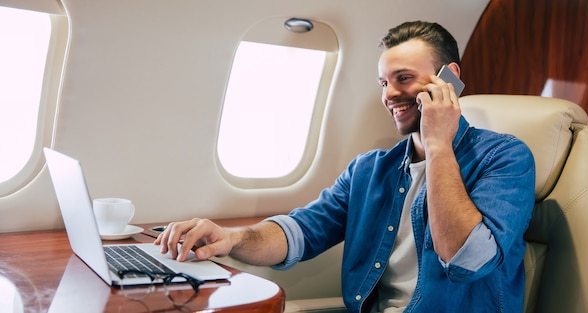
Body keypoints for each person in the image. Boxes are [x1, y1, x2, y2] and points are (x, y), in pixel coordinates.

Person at [155, 20, 536, 312]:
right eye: (383, 82)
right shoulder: (369, 169)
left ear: (448, 79)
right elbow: (300, 232)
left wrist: (438, 144)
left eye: (403, 79)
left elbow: (466, 260)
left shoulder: (506, 158)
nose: (388, 95)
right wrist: (232, 238)